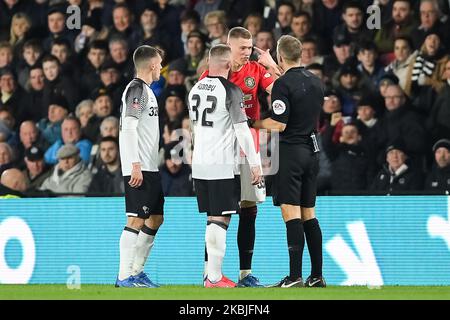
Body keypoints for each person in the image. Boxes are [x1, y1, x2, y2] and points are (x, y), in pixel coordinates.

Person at [200, 26, 279, 287]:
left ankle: (245, 274)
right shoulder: (211, 76)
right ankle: (209, 272)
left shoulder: (256, 70)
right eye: (242, 48)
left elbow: (282, 91)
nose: (248, 52)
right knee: (218, 212)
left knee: (249, 208)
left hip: (247, 150)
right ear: (229, 47)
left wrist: (273, 65)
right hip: (221, 153)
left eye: (250, 47)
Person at [250, 35, 326, 287]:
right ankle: (316, 276)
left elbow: (278, 124)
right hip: (312, 152)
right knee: (309, 215)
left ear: (281, 56)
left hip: (291, 154)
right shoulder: (315, 82)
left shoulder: (283, 86)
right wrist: (273, 66)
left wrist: (253, 123)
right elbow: (295, 86)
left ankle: (294, 276)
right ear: (301, 54)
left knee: (291, 214)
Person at [188, 44, 262, 288]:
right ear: (228, 65)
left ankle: (209, 274)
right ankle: (215, 277)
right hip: (221, 163)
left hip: (199, 163)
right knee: (221, 219)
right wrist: (255, 165)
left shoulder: (195, 89)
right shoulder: (231, 90)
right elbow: (243, 131)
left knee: (212, 218)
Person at [116, 45, 164, 288]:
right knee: (135, 219)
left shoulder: (146, 90)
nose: (161, 69)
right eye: (160, 64)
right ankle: (124, 275)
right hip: (139, 166)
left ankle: (136, 271)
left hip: (149, 166)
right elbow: (129, 128)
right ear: (152, 65)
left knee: (155, 218)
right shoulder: (136, 89)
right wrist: (134, 164)